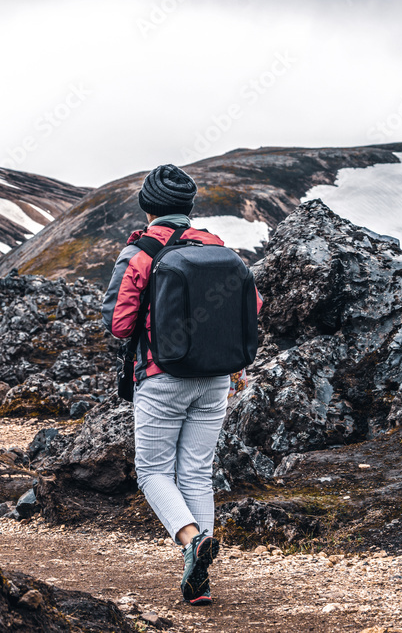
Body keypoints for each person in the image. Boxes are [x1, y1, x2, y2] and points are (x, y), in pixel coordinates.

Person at [101, 164, 258, 606]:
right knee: (195, 472)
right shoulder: (217, 248)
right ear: (190, 207)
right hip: (215, 380)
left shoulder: (142, 252)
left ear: (147, 205)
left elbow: (118, 323)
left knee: (152, 472)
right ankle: (201, 581)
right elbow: (253, 306)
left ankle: (192, 541)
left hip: (161, 376)